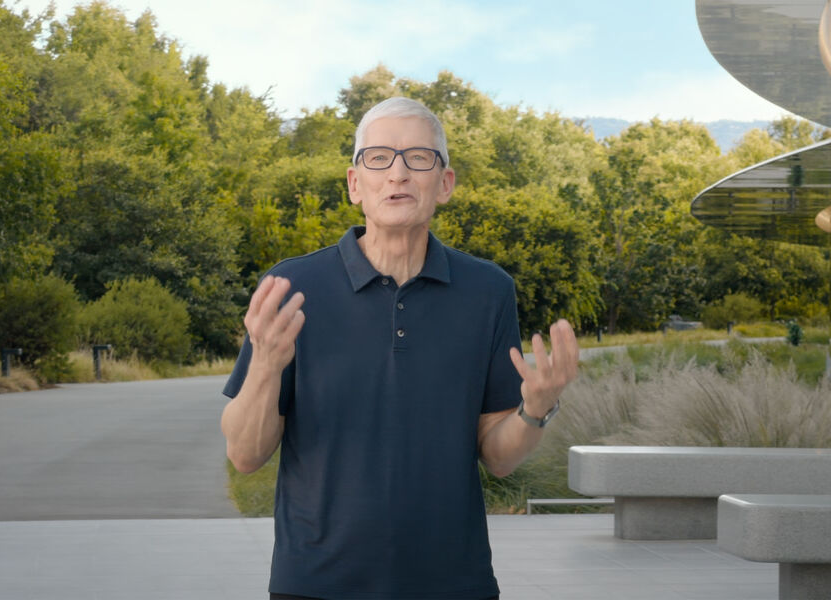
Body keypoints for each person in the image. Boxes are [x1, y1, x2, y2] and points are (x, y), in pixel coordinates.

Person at [221, 96, 579, 600]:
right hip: (315, 584)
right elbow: (244, 455)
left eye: (418, 157)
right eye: (379, 157)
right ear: (355, 184)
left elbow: (497, 457)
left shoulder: (488, 291)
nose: (398, 173)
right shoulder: (292, 287)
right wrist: (265, 365)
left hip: (454, 584)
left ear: (445, 183)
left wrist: (535, 409)